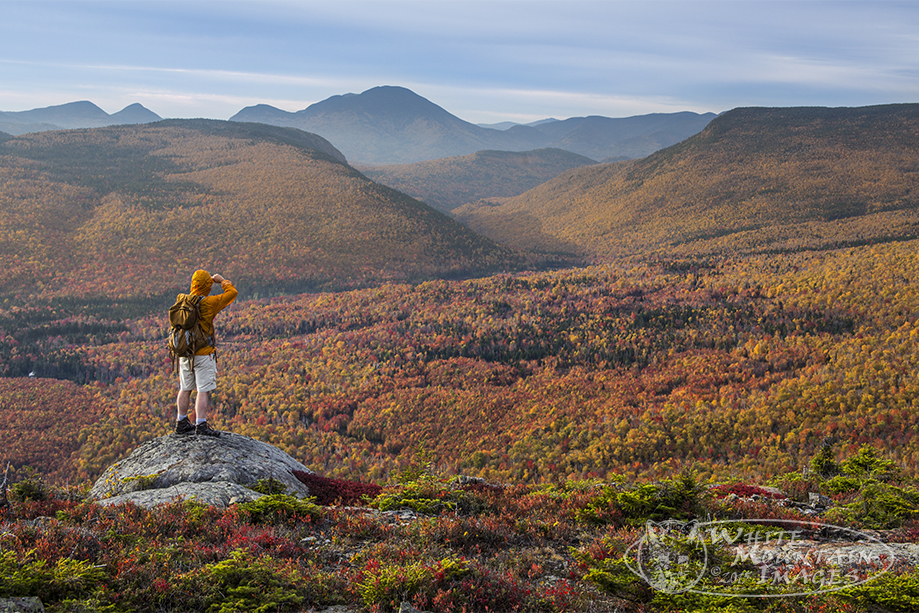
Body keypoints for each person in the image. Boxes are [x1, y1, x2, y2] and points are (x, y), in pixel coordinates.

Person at [174, 270, 238, 437]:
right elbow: (232, 293)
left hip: (185, 352)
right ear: (207, 286)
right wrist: (221, 281)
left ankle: (181, 422)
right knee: (203, 390)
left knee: (185, 388)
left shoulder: (182, 301)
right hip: (203, 353)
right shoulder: (209, 303)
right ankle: (201, 425)